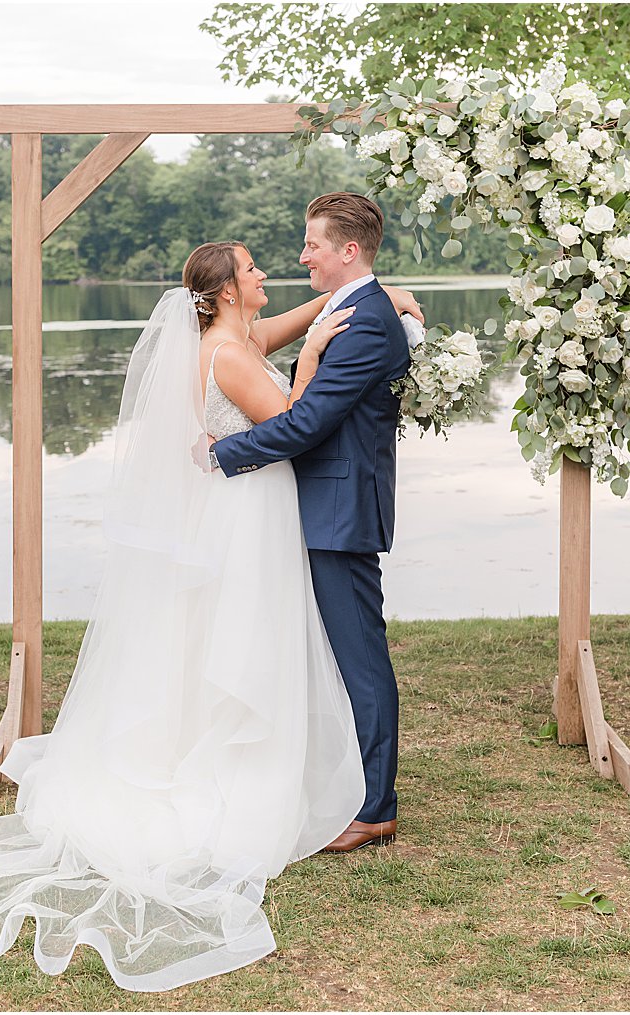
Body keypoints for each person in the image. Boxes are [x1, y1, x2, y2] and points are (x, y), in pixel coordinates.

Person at [0, 239, 422, 991]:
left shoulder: (241, 335)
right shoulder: (226, 353)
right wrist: (319, 350)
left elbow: (303, 315)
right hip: (249, 508)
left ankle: (280, 750)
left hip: (252, 505)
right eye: (253, 268)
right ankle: (248, 758)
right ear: (226, 291)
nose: (267, 274)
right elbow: (294, 414)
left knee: (247, 636)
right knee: (247, 635)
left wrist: (372, 301)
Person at [210, 193, 411, 853]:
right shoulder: (349, 309)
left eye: (312, 245)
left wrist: (221, 454)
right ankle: (344, 781)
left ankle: (375, 806)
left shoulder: (364, 322)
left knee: (360, 657)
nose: (302, 257)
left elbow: (304, 424)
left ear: (347, 251)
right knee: (340, 654)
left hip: (340, 512)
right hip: (325, 507)